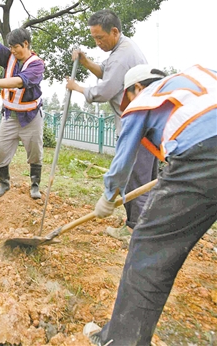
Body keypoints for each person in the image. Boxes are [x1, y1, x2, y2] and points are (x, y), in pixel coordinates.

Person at [88, 64, 217, 346]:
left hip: (204, 152)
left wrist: (108, 196)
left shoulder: (145, 99)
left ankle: (121, 340)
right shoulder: (193, 80)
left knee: (149, 247)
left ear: (136, 88)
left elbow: (123, 159)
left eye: (128, 97)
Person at [66, 9, 157, 241]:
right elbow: (106, 73)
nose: (97, 43)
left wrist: (78, 88)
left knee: (137, 178)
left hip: (139, 126)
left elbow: (106, 90)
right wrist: (86, 62)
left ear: (114, 31)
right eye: (94, 38)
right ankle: (143, 226)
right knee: (145, 179)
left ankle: (134, 231)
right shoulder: (122, 47)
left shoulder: (121, 56)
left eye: (100, 38)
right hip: (144, 123)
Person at [0, 28, 45, 199]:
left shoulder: (36, 64)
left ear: (26, 44)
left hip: (31, 116)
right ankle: (4, 183)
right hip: (10, 116)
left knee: (35, 153)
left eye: (15, 47)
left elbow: (20, 82)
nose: (12, 50)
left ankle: (35, 185)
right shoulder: (10, 57)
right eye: (10, 47)